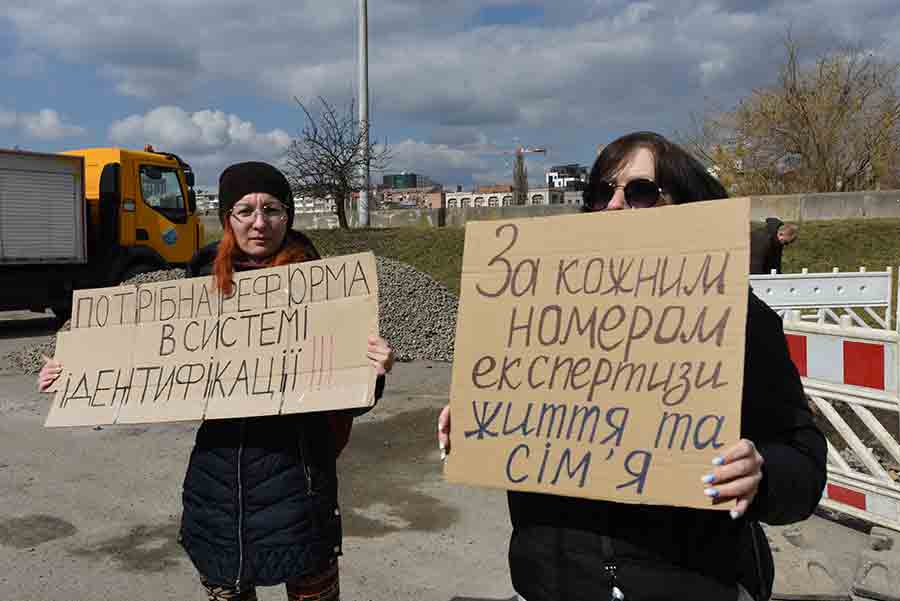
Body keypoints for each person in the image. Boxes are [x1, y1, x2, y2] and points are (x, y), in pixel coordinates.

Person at [437, 132, 826, 601]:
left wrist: (762, 474)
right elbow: (526, 433)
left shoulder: (741, 320)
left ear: (688, 207)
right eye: (601, 192)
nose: (614, 205)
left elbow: (803, 460)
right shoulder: (542, 313)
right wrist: (482, 420)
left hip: (696, 586)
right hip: (553, 584)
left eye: (640, 192)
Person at [39, 161, 395, 601]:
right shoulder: (200, 285)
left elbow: (352, 399)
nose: (259, 223)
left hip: (298, 487)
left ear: (288, 217)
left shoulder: (328, 291)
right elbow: (138, 359)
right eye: (245, 211)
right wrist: (72, 372)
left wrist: (372, 370)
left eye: (272, 209)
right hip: (216, 489)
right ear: (228, 218)